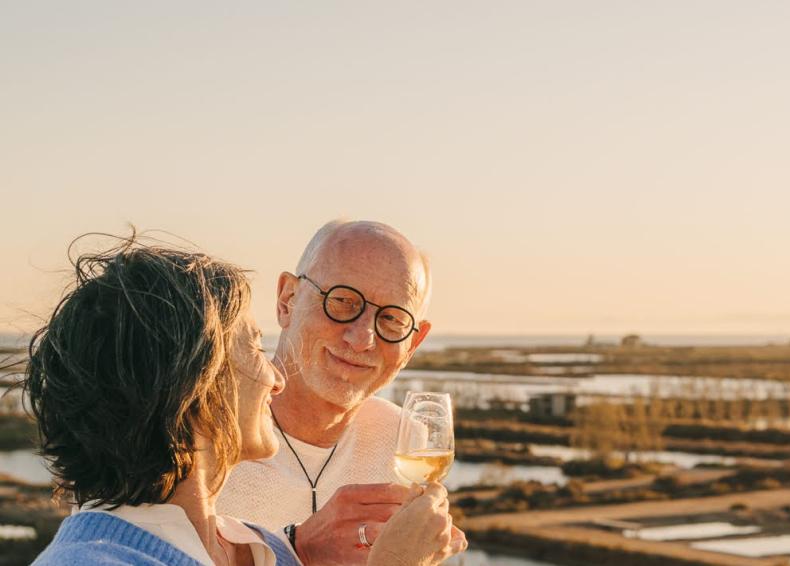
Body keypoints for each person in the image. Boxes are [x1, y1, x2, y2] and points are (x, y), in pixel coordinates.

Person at [22, 235, 465, 566]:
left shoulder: (253, 547)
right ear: (191, 381)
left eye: (391, 318)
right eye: (254, 348)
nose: (276, 378)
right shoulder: (94, 558)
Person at [218, 220, 463, 566]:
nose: (362, 338)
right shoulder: (201, 436)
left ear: (414, 343)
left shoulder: (403, 440)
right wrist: (294, 548)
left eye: (393, 319)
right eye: (344, 302)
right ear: (287, 300)